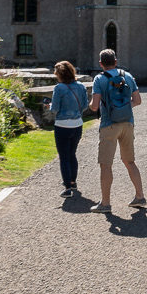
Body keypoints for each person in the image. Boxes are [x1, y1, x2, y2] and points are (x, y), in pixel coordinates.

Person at [88, 49, 146, 212]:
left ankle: (105, 203)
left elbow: (94, 106)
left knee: (106, 164)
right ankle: (140, 197)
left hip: (109, 125)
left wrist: (92, 105)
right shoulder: (127, 76)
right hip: (128, 123)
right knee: (129, 161)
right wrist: (123, 108)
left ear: (101, 64)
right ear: (115, 61)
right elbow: (137, 100)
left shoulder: (99, 79)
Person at [49, 61, 88, 198]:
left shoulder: (59, 88)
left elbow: (54, 109)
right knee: (72, 154)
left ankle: (67, 188)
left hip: (62, 125)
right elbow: (85, 106)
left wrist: (49, 105)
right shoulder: (81, 86)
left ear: (60, 74)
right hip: (77, 124)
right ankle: (72, 181)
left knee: (64, 157)